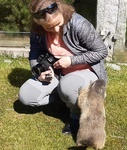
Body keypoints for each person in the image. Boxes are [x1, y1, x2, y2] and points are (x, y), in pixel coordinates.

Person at [19, 0, 108, 135]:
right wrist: (38, 72)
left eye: (58, 24)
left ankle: (75, 116)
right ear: (39, 24)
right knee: (26, 96)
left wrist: (72, 61)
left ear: (62, 12)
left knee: (68, 86)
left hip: (86, 70)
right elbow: (34, 53)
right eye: (48, 28)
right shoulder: (37, 31)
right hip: (58, 73)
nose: (55, 30)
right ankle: (66, 97)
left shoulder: (79, 24)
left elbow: (101, 51)